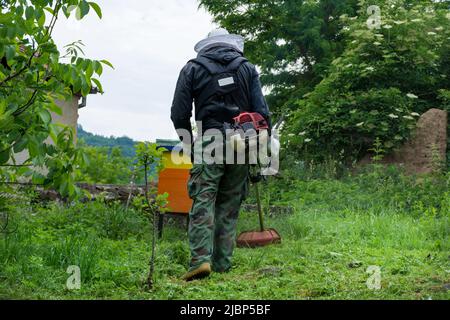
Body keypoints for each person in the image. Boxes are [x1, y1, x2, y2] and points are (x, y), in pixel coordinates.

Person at [170, 28, 271, 281]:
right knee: (229, 204)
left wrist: (190, 144)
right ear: (230, 45)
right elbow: (262, 112)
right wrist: (260, 151)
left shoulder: (192, 68)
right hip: (243, 141)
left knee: (204, 200)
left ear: (208, 46)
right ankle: (223, 263)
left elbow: (179, 113)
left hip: (210, 139)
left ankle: (200, 261)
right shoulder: (247, 68)